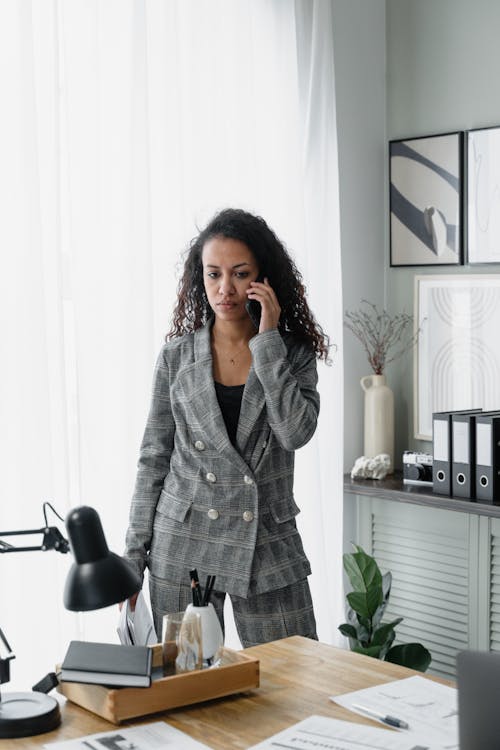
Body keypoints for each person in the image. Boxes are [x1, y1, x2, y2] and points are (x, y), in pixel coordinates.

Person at [123, 208, 329, 646]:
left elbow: (296, 432)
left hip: (267, 544)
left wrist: (268, 338)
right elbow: (153, 459)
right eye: (213, 274)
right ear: (200, 277)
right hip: (183, 543)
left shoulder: (291, 353)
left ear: (264, 278)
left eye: (240, 274)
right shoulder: (176, 359)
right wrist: (132, 556)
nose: (225, 289)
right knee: (186, 688)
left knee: (292, 685)